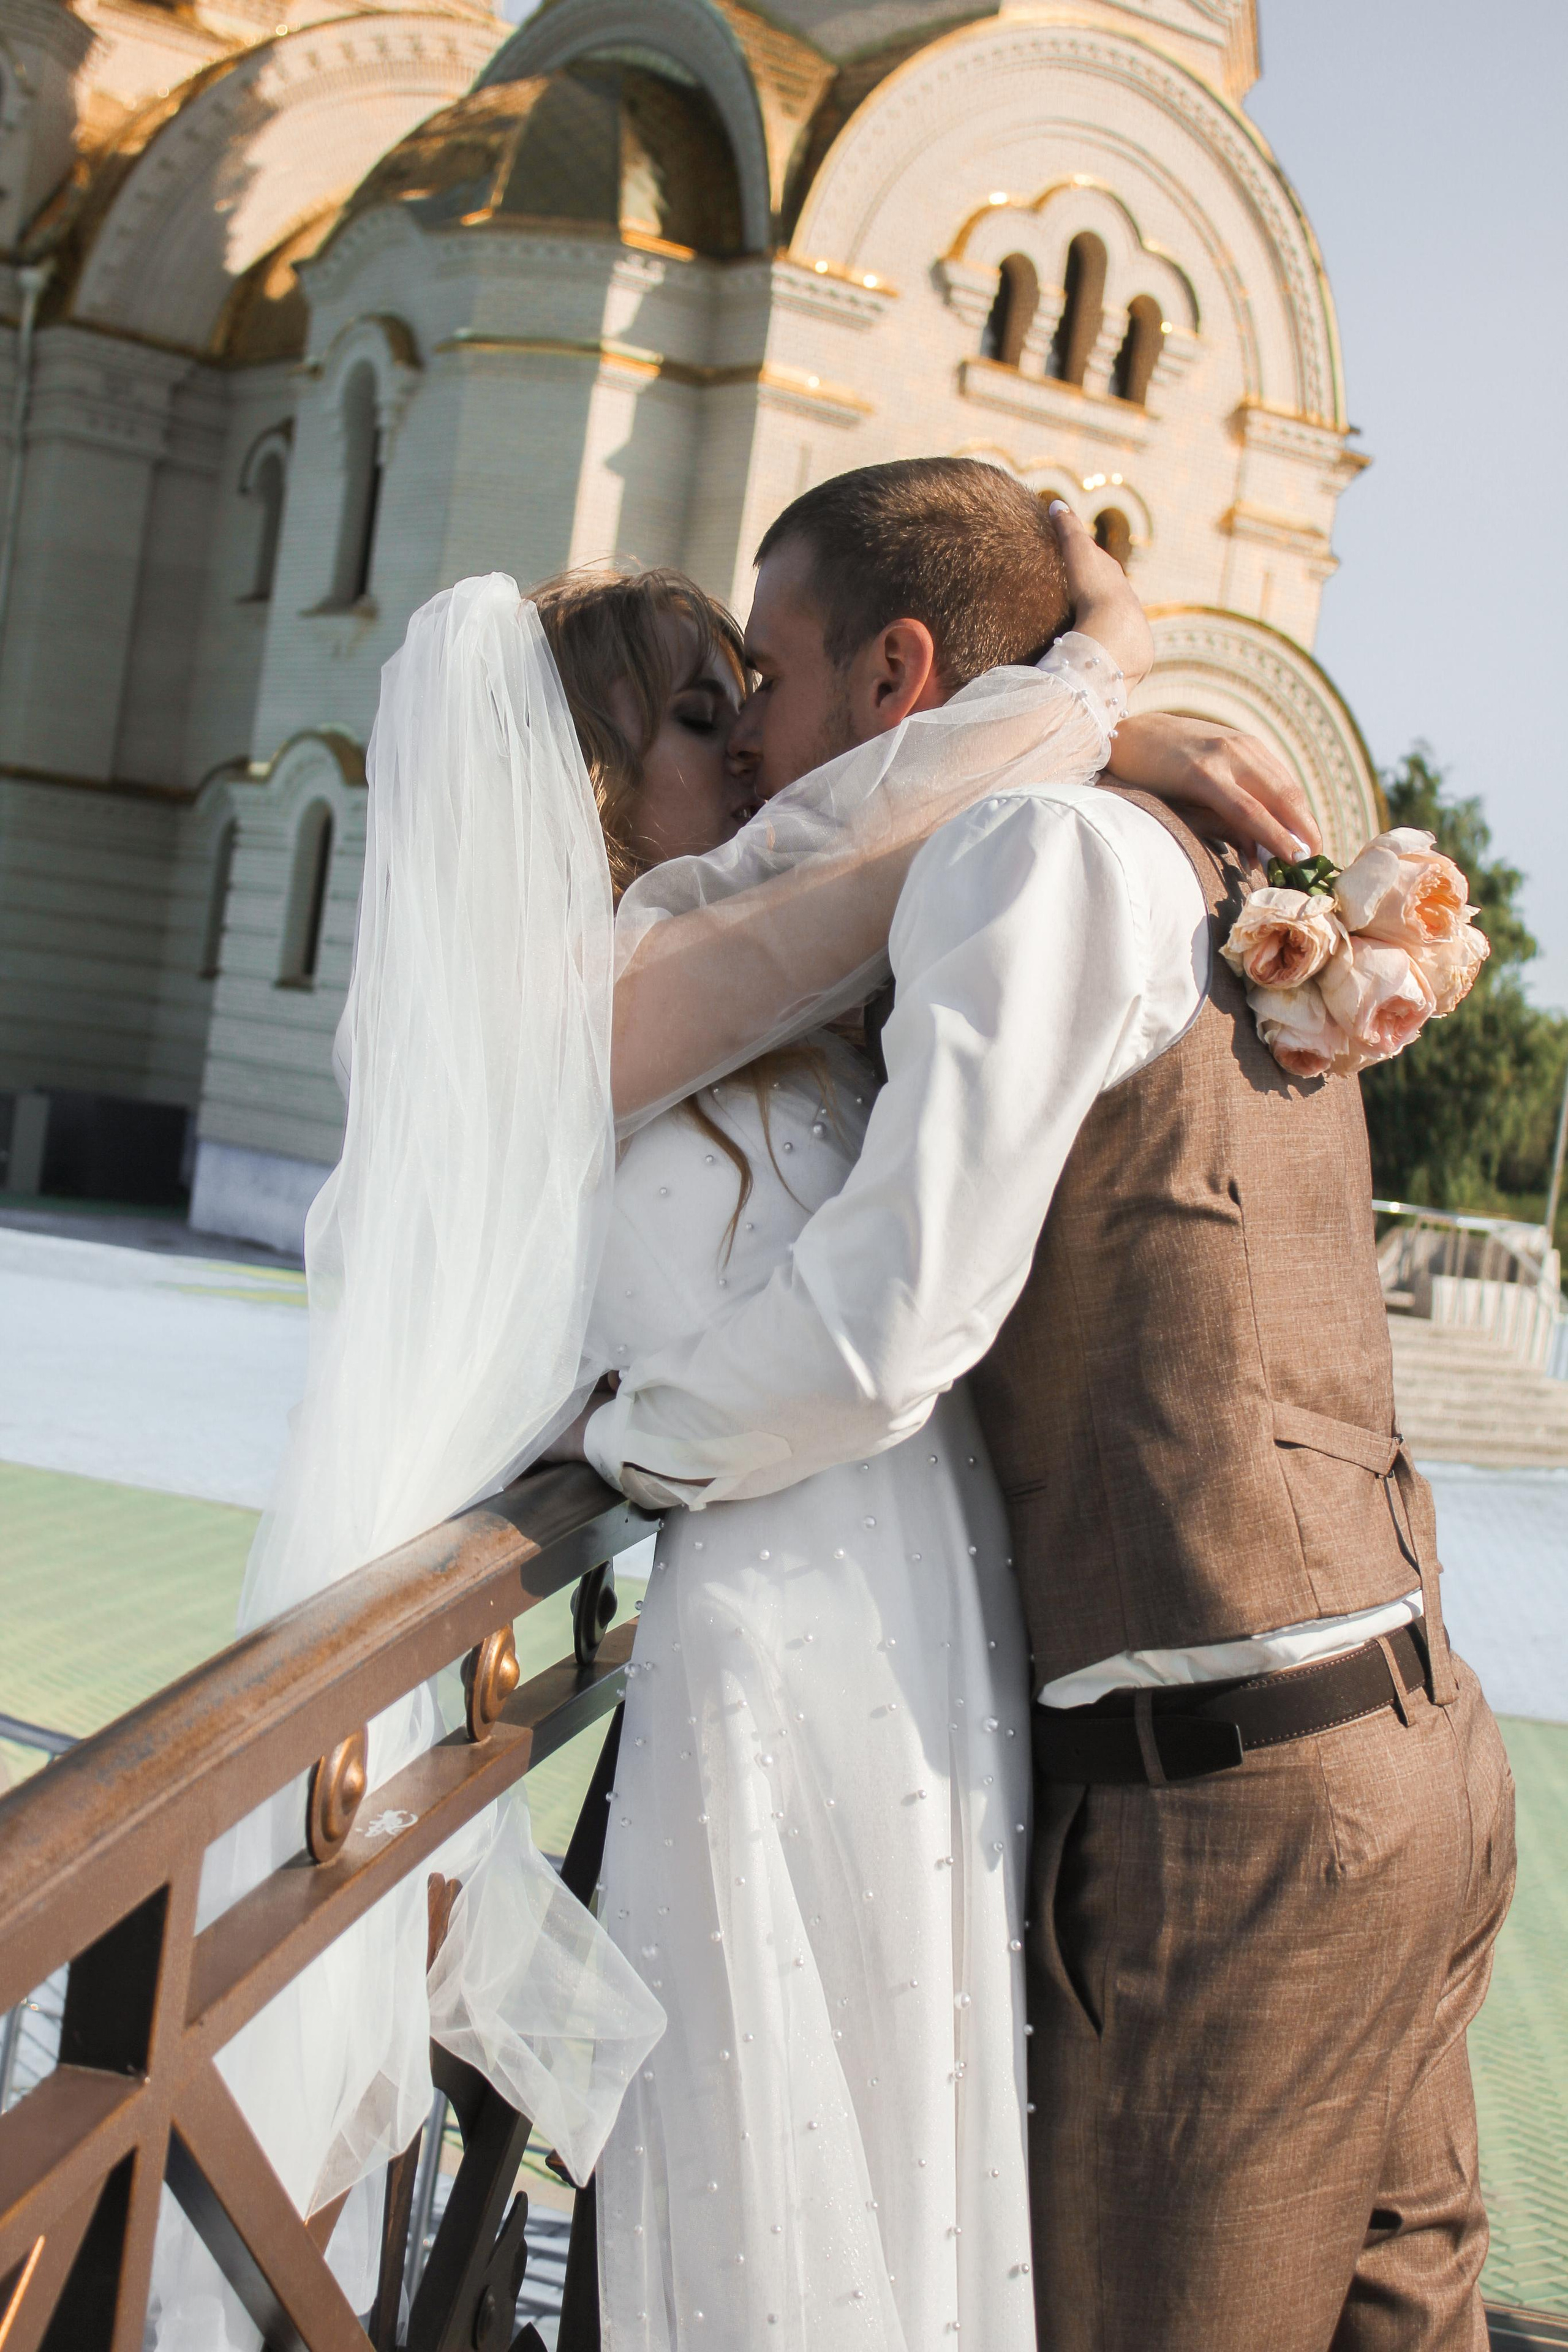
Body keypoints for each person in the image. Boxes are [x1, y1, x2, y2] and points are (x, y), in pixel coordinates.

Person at [581, 458, 1518, 2352]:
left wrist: (616, 1449)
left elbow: (885, 1328)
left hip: (1235, 1808)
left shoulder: (1027, 857)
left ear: (897, 672)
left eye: (765, 671)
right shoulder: (1203, 862)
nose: (754, 727)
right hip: (1428, 1748)